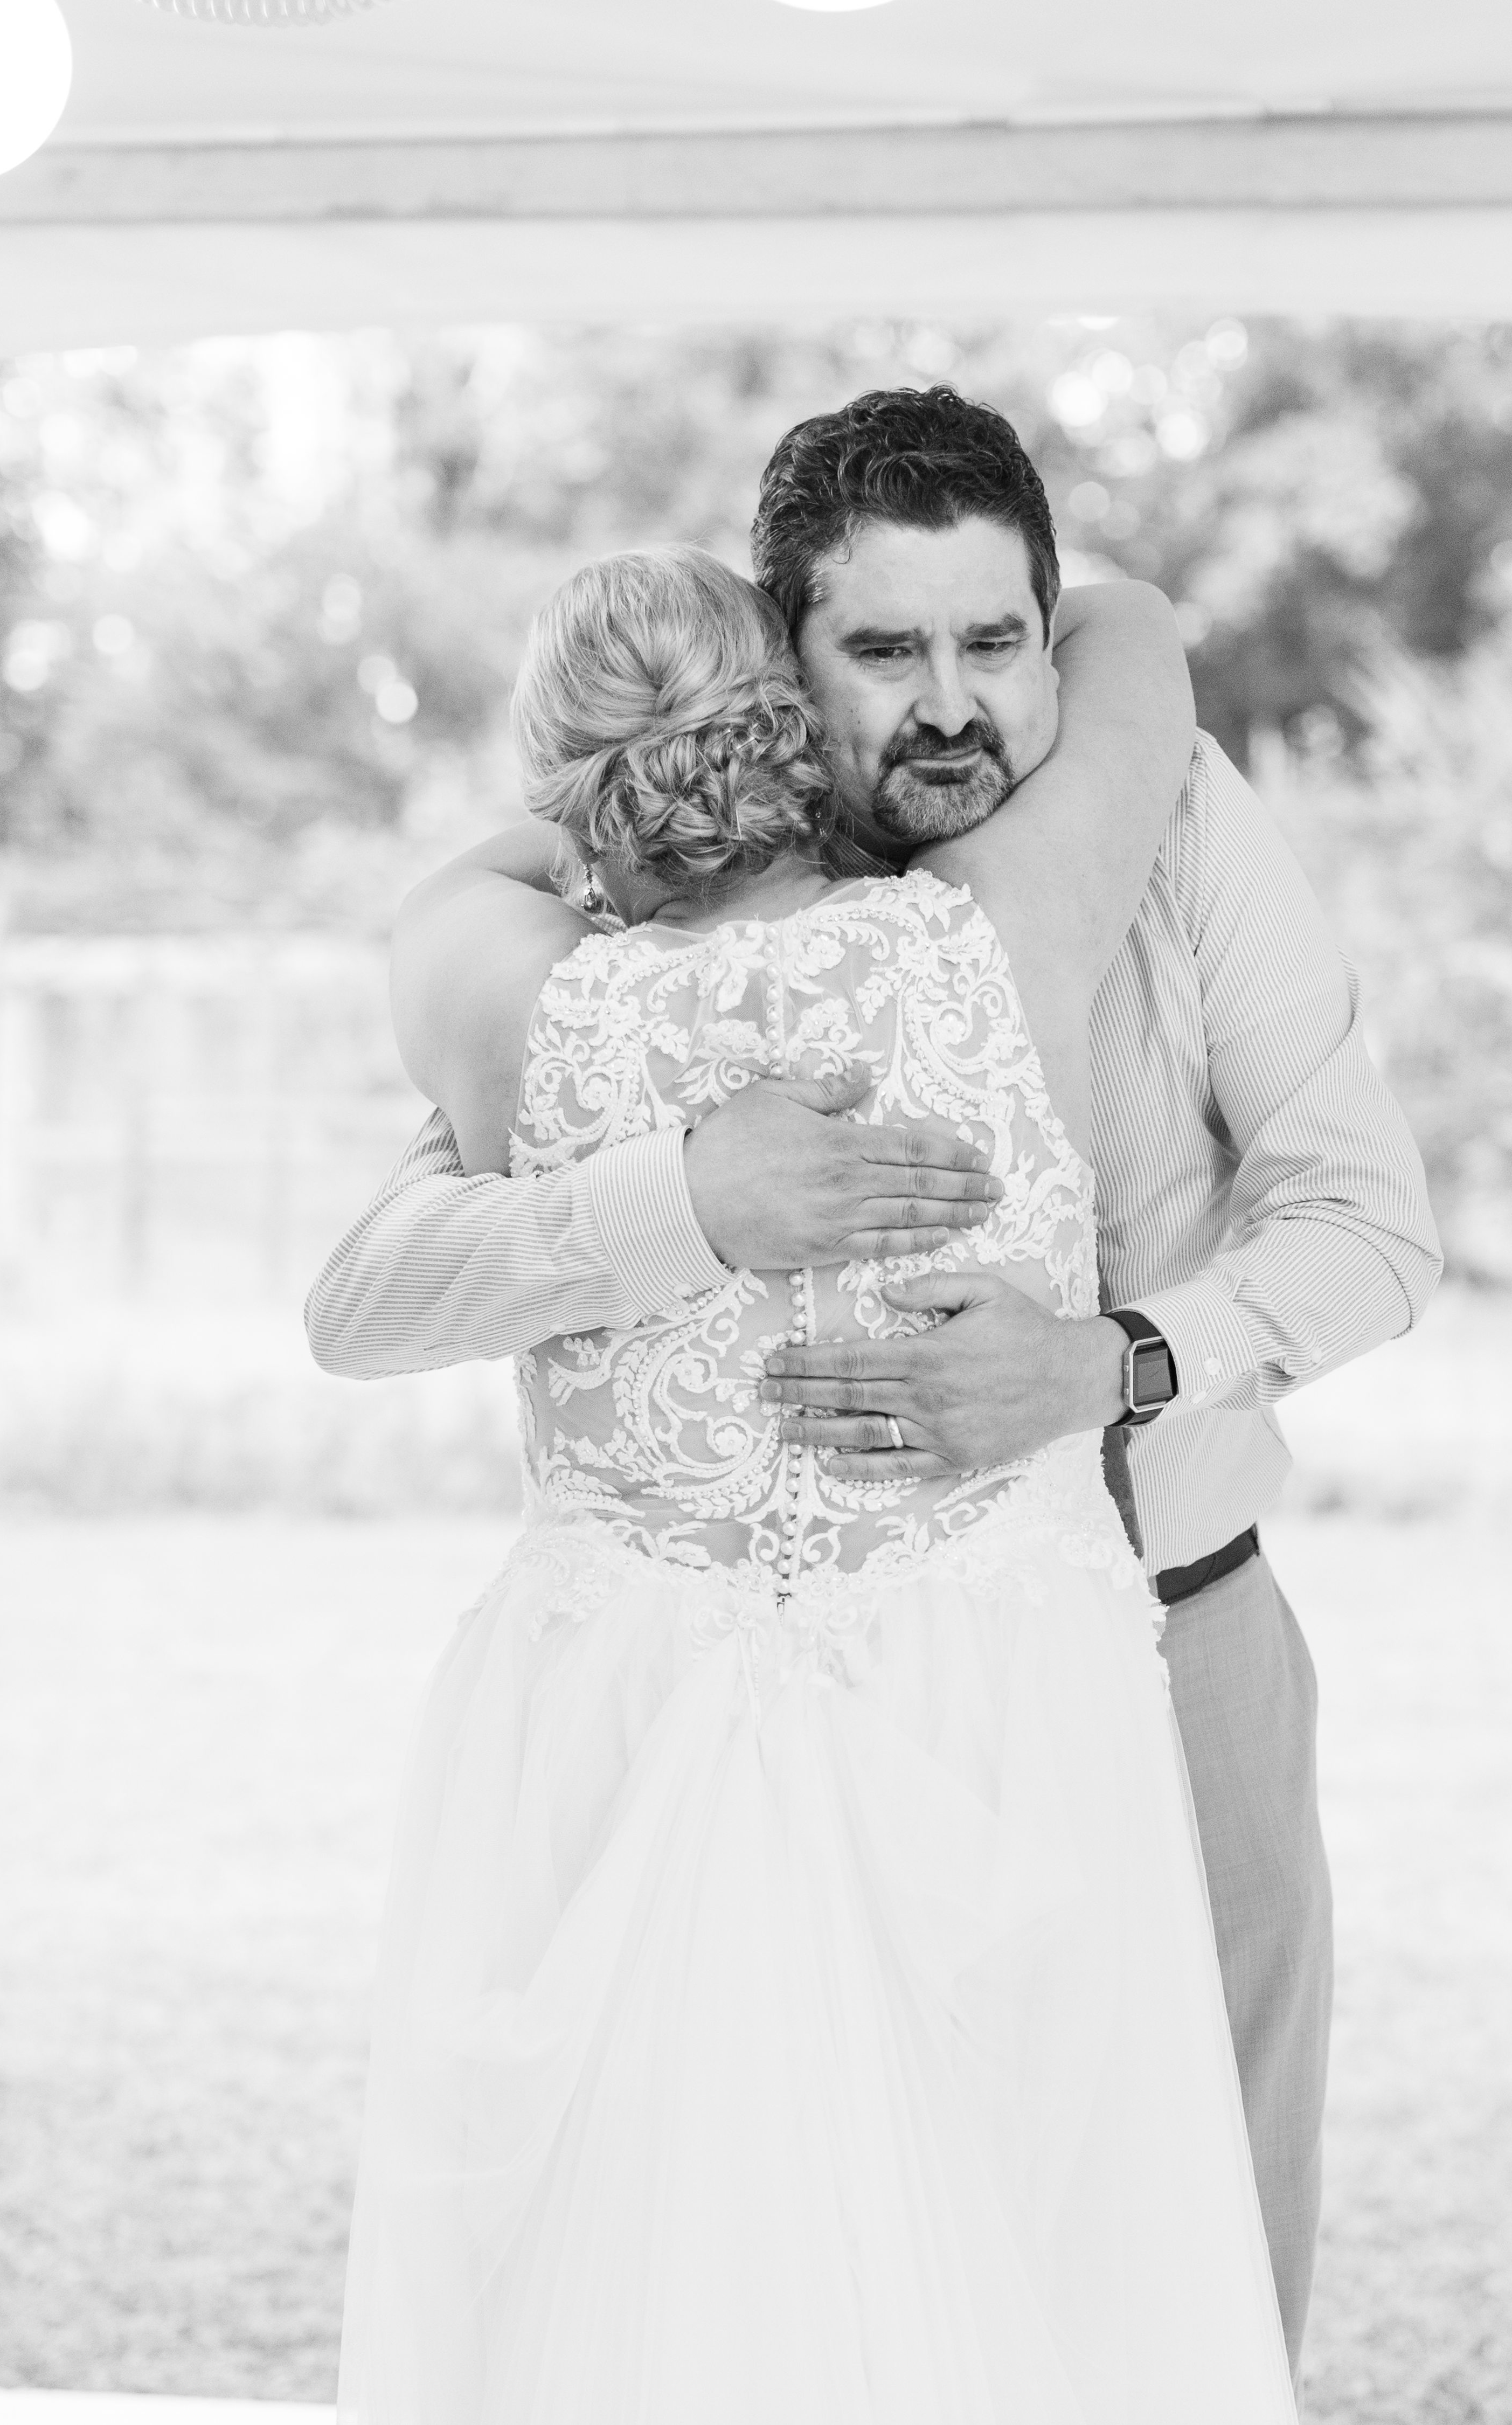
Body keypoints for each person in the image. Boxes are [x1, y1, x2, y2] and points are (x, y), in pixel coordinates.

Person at [309, 390, 1442, 2388]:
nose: (951, 706)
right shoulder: (632, 925)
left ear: (1050, 635)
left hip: (1172, 1631)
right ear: (780, 660)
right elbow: (389, 1272)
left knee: (1181, 2256)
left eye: (998, 642)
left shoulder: (1166, 825)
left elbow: (1372, 1225)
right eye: (884, 650)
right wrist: (689, 1196)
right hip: (813, 1715)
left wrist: (1118, 1361)